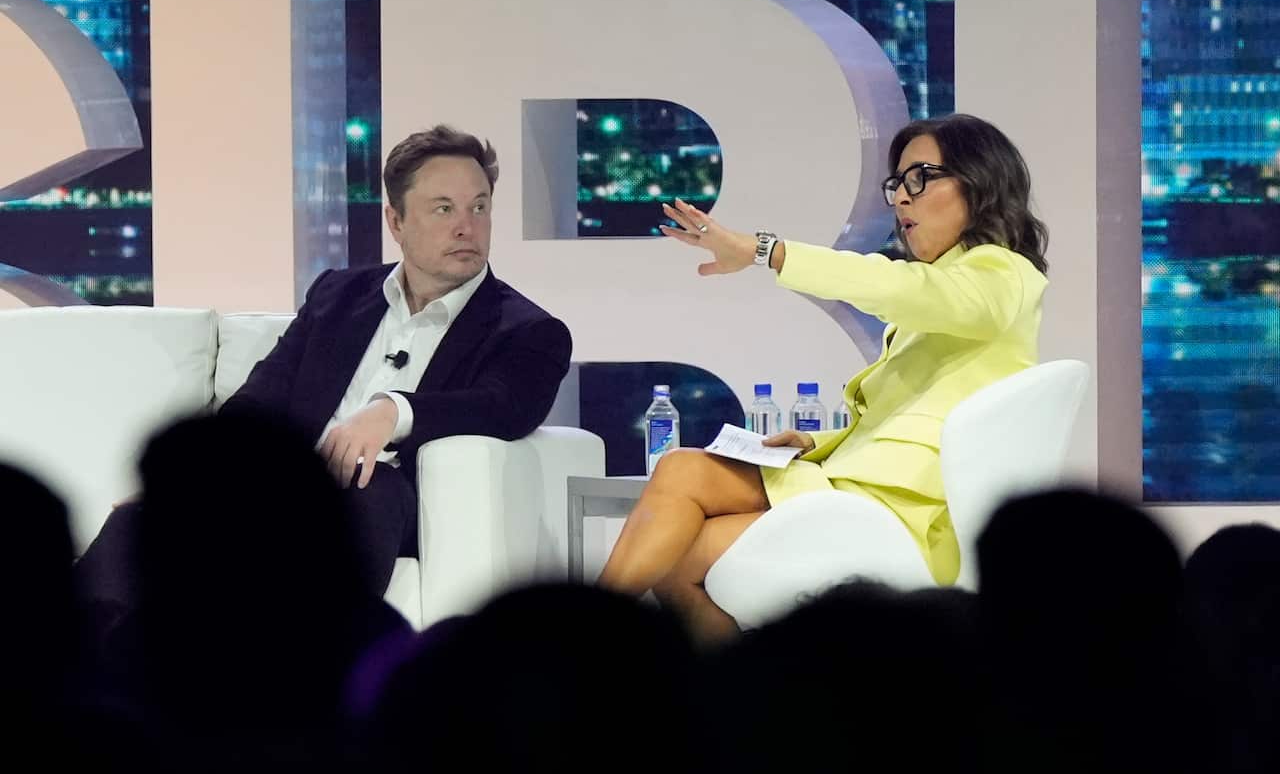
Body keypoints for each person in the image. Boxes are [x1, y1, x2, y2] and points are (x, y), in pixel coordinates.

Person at [77, 124, 573, 617]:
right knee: (145, 520)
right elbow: (264, 395)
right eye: (444, 209)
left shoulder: (526, 330)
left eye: (479, 207)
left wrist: (393, 411)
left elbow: (504, 406)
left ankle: (304, 668)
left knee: (368, 487)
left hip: (386, 500)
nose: (467, 226)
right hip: (284, 490)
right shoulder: (338, 295)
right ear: (396, 222)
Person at [597, 113, 1049, 644]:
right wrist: (817, 442)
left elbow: (899, 288)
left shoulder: (1003, 274)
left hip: (903, 512)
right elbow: (911, 418)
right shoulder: (947, 290)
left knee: (677, 558)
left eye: (919, 179)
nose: (902, 199)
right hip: (860, 486)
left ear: (980, 183)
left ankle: (578, 639)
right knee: (679, 471)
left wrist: (767, 251)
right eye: (897, 184)